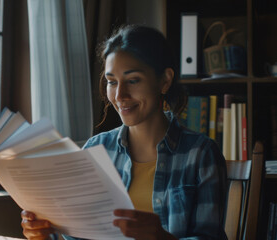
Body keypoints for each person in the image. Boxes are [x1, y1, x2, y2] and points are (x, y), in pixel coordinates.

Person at [21, 25, 228, 240]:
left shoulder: (201, 154)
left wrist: (161, 237)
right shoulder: (95, 149)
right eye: (112, 82)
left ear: (165, 81)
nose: (120, 95)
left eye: (133, 80)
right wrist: (42, 234)